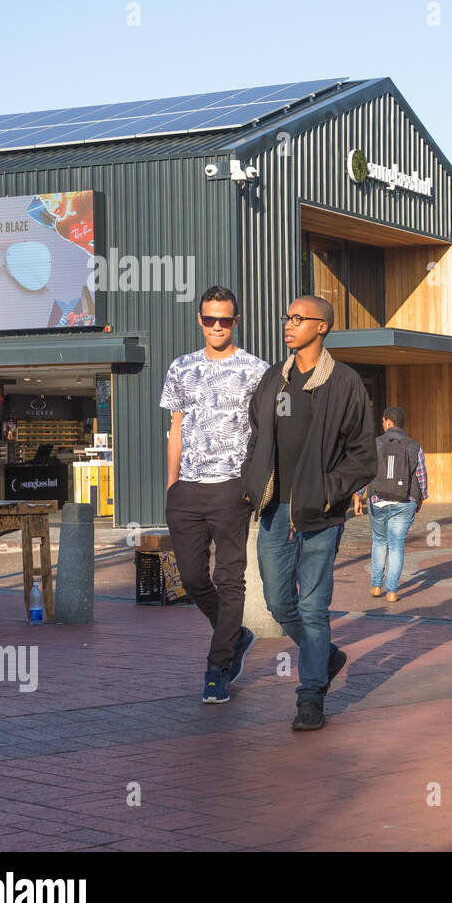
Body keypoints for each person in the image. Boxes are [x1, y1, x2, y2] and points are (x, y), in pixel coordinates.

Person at [243, 294, 376, 732]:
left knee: (314, 608)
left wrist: (326, 493)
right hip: (275, 510)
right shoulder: (273, 382)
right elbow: (257, 436)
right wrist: (252, 480)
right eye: (288, 317)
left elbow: (362, 456)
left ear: (322, 327)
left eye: (299, 319)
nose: (289, 324)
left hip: (320, 516)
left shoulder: (345, 384)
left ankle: (311, 696)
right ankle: (327, 655)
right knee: (279, 602)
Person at [161, 286, 269, 704]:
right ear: (200, 320)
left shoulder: (256, 370)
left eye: (225, 319)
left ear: (236, 321)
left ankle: (217, 668)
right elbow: (175, 428)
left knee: (230, 580)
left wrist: (252, 487)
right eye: (210, 319)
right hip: (186, 489)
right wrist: (171, 486)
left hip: (230, 488)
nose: (217, 326)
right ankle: (236, 636)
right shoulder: (181, 367)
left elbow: (264, 435)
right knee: (190, 579)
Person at [355, 407, 426, 603]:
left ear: (386, 422)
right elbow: (421, 478)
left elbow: (364, 472)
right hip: (404, 502)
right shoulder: (414, 446)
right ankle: (392, 591)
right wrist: (420, 500)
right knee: (396, 546)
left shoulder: (375, 444)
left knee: (379, 541)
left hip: (377, 500)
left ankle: (376, 586)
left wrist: (359, 495)